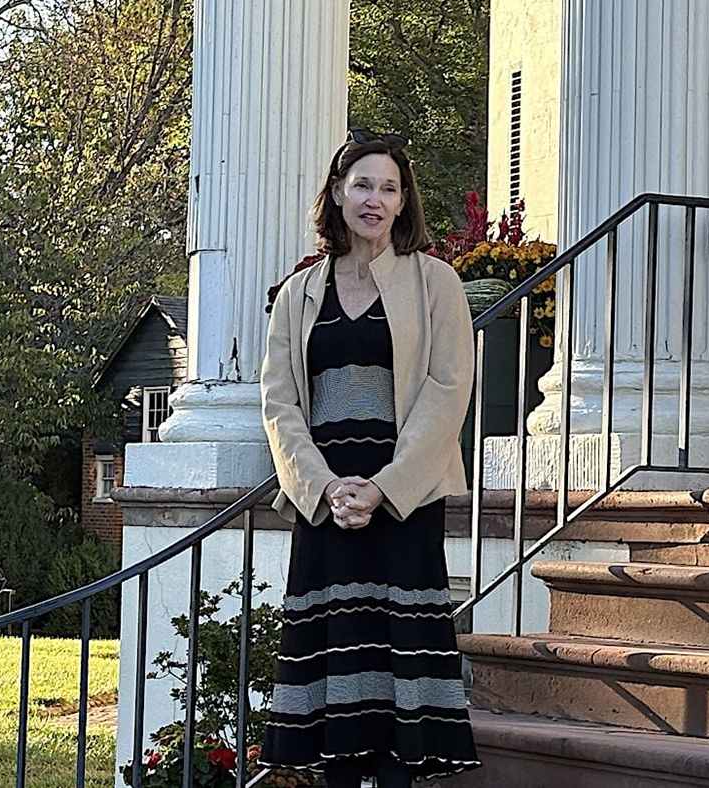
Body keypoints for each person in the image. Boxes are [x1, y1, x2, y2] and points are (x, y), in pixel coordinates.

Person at [257, 128, 482, 787]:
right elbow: (280, 404)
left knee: (396, 696)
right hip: (327, 510)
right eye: (362, 185)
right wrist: (327, 489)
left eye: (388, 187)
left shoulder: (436, 281)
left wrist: (382, 488)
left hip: (403, 504)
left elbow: (448, 390)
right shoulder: (298, 294)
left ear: (404, 199)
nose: (374, 199)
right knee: (333, 695)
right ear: (336, 192)